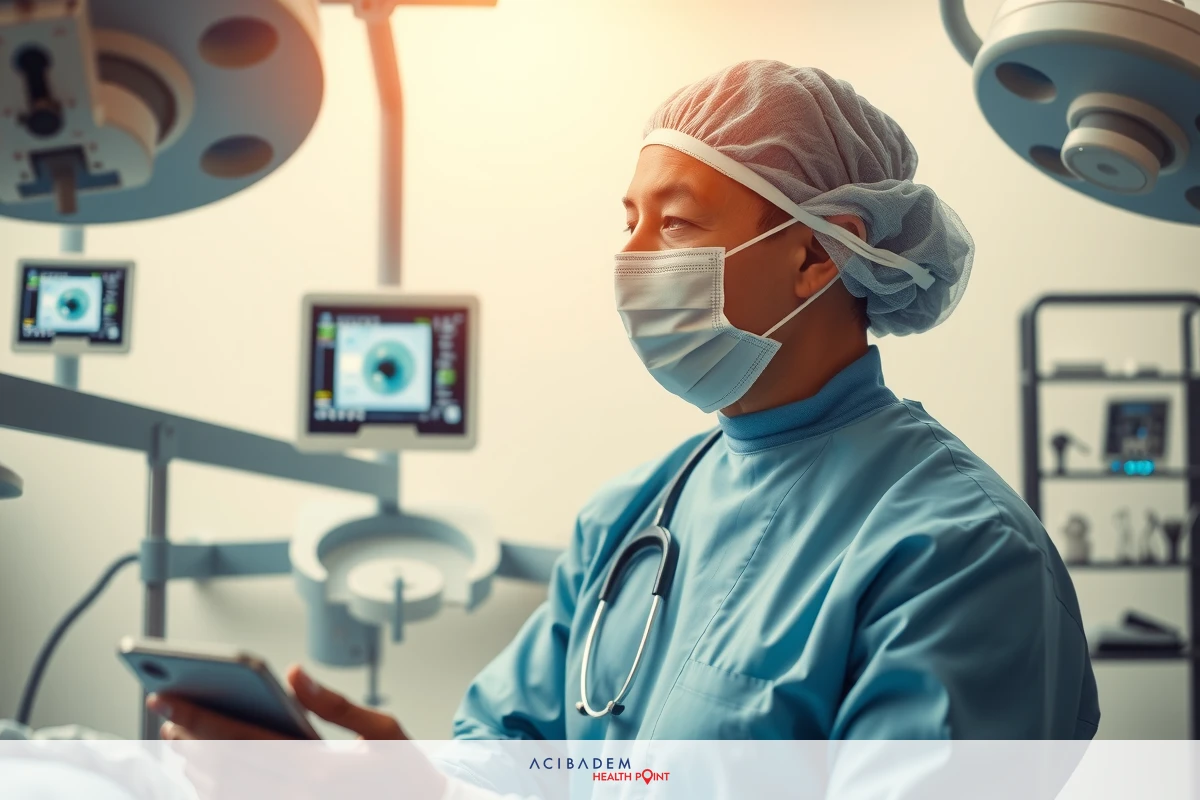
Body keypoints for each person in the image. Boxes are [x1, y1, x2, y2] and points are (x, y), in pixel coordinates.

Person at [149, 60, 1099, 743]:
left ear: (820, 250)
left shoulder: (958, 555)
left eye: (677, 222)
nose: (632, 260)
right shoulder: (630, 517)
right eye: (628, 220)